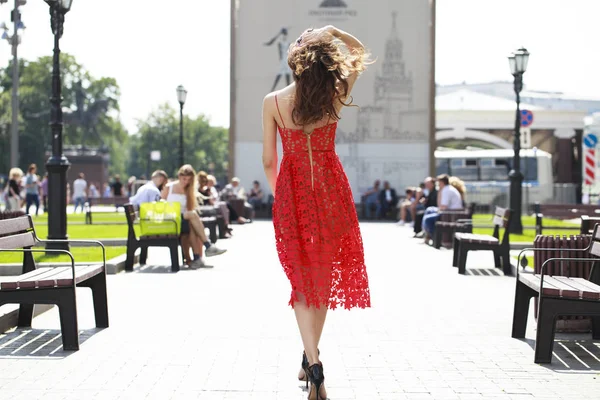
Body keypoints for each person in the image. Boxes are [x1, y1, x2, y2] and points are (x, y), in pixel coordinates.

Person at [261, 25, 371, 400]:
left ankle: (313, 362)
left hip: (293, 197)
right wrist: (334, 30)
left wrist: (282, 200)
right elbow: (359, 51)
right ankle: (313, 362)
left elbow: (267, 161)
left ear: (294, 61)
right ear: (324, 62)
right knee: (320, 281)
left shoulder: (272, 101)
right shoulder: (336, 95)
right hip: (330, 193)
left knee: (301, 283)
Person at [161, 165, 227, 268]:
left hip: (183, 219)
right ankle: (208, 246)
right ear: (179, 176)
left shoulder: (189, 190)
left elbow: (190, 207)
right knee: (192, 215)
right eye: (184, 178)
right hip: (171, 218)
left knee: (192, 225)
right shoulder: (169, 187)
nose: (185, 181)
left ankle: (196, 258)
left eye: (188, 179)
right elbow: (161, 204)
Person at [422, 174, 463, 242]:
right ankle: (426, 235)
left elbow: (443, 207)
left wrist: (438, 210)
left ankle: (434, 238)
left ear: (442, 182)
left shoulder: (447, 190)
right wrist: (439, 192)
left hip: (451, 213)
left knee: (427, 219)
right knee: (429, 209)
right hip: (449, 212)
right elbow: (440, 205)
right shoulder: (446, 189)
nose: (437, 184)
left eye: (438, 183)